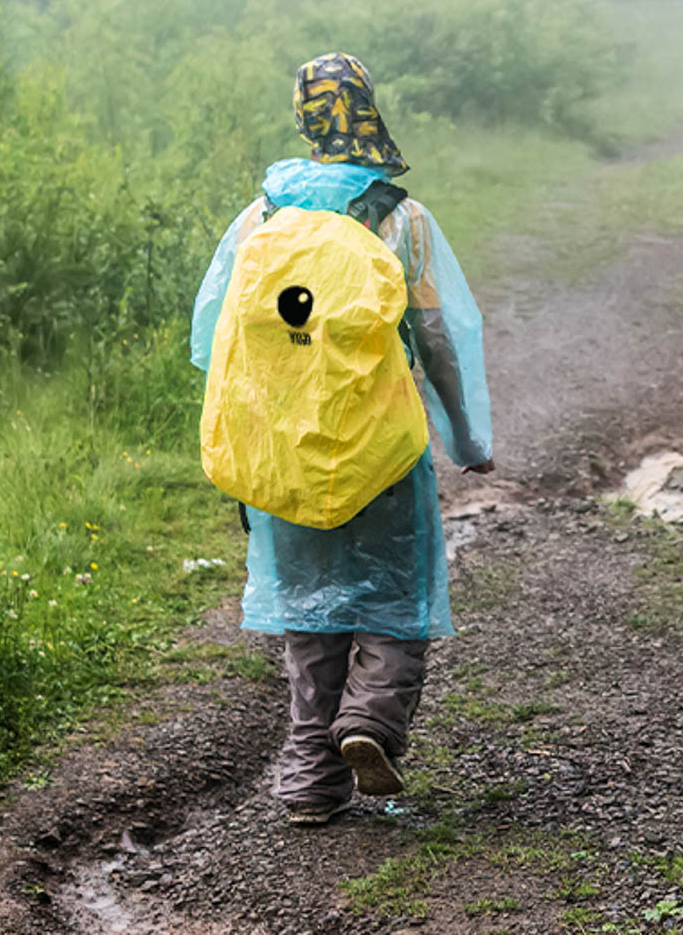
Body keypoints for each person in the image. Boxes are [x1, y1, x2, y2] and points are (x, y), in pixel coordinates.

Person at [190, 52, 494, 826]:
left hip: (285, 446)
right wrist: (466, 433)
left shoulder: (262, 216)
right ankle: (369, 724)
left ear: (304, 119)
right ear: (370, 111)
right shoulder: (399, 216)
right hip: (382, 444)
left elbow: (212, 339)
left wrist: (245, 437)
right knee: (395, 597)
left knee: (310, 610)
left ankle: (306, 785)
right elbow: (439, 335)